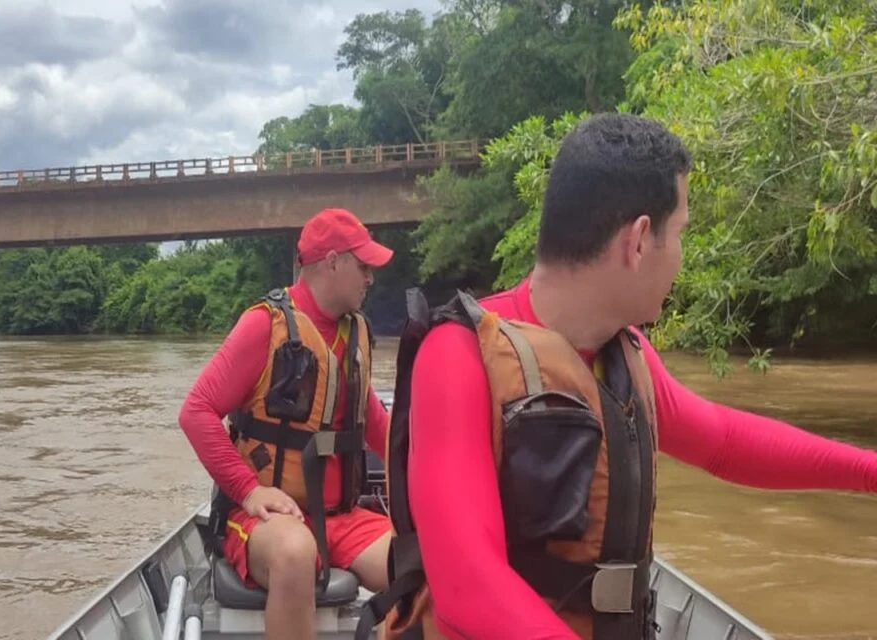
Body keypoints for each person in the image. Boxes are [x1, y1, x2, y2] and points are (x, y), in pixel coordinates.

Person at [359, 113, 877, 640]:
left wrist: (869, 471)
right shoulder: (457, 356)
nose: (680, 259)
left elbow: (723, 442)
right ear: (639, 241)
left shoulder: (623, 352)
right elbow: (468, 587)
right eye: (680, 235)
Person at [178, 207, 395, 640]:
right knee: (297, 552)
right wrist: (249, 489)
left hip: (340, 517)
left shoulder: (354, 334)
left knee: (429, 559)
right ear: (333, 261)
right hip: (264, 521)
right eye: (363, 265)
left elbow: (374, 424)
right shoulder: (264, 325)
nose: (370, 278)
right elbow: (196, 411)